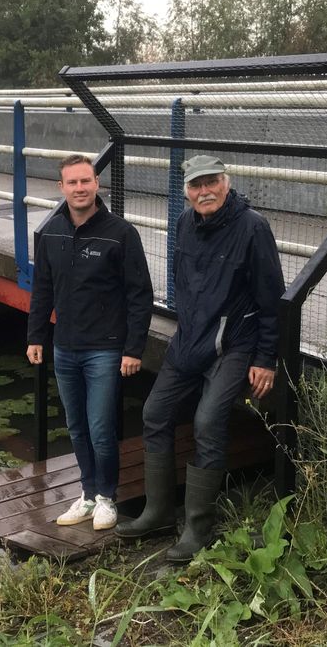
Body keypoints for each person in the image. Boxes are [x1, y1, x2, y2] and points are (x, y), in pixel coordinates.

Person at [115, 155, 284, 561]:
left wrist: (266, 358)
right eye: (196, 185)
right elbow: (182, 284)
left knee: (208, 421)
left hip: (234, 344)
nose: (204, 191)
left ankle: (198, 528)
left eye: (211, 182)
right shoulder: (185, 224)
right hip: (189, 339)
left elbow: (272, 297)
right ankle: (157, 512)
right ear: (186, 191)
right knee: (155, 413)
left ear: (226, 183)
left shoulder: (252, 227)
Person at [27, 154, 154, 531]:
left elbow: (139, 294)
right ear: (61, 187)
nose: (79, 189)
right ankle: (86, 494)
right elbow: (43, 289)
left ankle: (106, 499)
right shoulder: (51, 232)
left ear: (97, 183)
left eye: (86, 181)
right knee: (77, 427)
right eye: (72, 183)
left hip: (105, 348)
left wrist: (133, 348)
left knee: (100, 428)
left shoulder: (120, 233)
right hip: (65, 347)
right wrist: (36, 335)